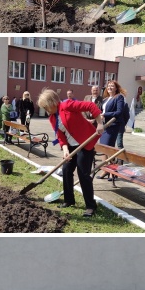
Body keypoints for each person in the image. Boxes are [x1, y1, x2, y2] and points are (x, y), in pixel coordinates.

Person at [37, 88, 105, 217]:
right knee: (67, 170)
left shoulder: (67, 105)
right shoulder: (52, 118)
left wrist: (99, 123)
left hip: (85, 142)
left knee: (83, 173)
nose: (46, 111)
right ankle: (69, 200)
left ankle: (91, 205)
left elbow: (90, 105)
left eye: (46, 107)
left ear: (52, 103)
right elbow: (60, 135)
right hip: (71, 145)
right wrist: (65, 150)